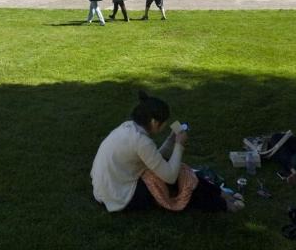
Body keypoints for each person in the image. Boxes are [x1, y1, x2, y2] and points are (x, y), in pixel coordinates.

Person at [91, 91, 241, 213]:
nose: (165, 126)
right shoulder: (141, 141)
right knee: (181, 176)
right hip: (121, 197)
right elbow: (169, 176)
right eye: (164, 123)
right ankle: (221, 202)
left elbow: (154, 159)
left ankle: (218, 194)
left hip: (106, 190)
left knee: (174, 173)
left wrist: (170, 141)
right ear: (154, 122)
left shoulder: (128, 128)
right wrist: (179, 145)